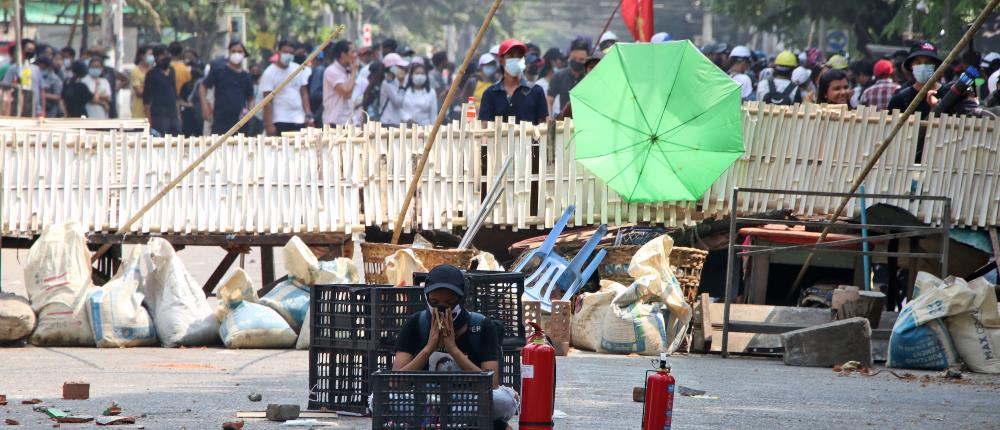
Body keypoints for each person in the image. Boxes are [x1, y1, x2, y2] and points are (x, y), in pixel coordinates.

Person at [392, 265, 519, 430]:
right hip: (425, 398)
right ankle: (468, 421)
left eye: (449, 302)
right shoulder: (416, 323)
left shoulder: (482, 325)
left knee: (504, 402)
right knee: (378, 400)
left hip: (467, 398)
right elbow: (394, 381)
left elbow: (491, 383)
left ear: (461, 299)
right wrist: (428, 348)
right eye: (435, 302)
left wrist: (453, 350)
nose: (442, 308)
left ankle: (444, 420)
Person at [478, 38, 548, 124]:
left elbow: (543, 125)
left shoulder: (536, 91)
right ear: (501, 61)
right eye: (511, 56)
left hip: (528, 137)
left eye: (519, 56)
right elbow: (485, 127)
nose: (516, 59)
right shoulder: (490, 93)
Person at [201, 41, 255, 134]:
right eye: (233, 51)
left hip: (240, 123)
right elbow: (203, 87)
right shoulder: (219, 71)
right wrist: (204, 106)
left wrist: (249, 115)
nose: (236, 54)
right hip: (220, 121)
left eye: (239, 51)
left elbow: (250, 99)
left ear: (244, 54)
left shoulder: (247, 76)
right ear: (229, 52)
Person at [260, 40, 313, 135]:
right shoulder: (269, 73)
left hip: (299, 119)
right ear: (278, 52)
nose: (288, 55)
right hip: (280, 120)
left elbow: (304, 93)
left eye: (291, 53)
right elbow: (267, 102)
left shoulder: (298, 69)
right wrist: (268, 124)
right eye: (285, 52)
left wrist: (308, 114)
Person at [887, 41, 943, 118]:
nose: (923, 66)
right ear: (911, 66)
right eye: (918, 63)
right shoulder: (900, 99)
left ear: (935, 66)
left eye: (928, 63)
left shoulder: (949, 95)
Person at [143, 44, 181, 135]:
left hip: (173, 115)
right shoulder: (151, 74)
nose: (166, 57)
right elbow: (147, 101)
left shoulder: (172, 71)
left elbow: (175, 94)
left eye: (167, 54)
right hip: (159, 116)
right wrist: (149, 122)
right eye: (163, 55)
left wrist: (178, 115)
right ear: (156, 57)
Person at [547, 38, 588, 116]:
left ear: (586, 59)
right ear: (570, 56)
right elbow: (549, 100)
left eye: (581, 59)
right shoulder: (559, 76)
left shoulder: (589, 78)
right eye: (574, 58)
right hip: (565, 122)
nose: (577, 62)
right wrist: (550, 120)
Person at [322, 40, 358, 126]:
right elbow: (346, 93)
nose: (355, 55)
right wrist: (354, 71)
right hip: (335, 122)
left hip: (347, 121)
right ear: (343, 55)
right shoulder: (332, 71)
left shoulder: (347, 70)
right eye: (352, 52)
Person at [378, 53, 410, 126]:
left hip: (395, 121)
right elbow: (398, 102)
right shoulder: (387, 83)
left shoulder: (395, 80)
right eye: (399, 67)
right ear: (392, 68)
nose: (402, 69)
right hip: (388, 122)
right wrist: (402, 85)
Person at [179, 61, 206, 136]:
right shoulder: (186, 85)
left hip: (200, 116)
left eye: (199, 69)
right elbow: (179, 100)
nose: (197, 70)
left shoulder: (205, 86)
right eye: (195, 68)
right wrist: (188, 104)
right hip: (188, 116)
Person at [129, 45, 153, 119]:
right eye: (149, 54)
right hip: (139, 108)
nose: (151, 57)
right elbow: (139, 92)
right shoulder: (136, 71)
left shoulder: (153, 70)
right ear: (142, 56)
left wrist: (143, 86)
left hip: (152, 109)